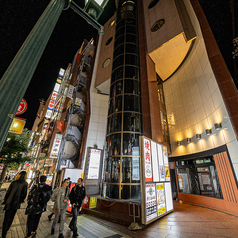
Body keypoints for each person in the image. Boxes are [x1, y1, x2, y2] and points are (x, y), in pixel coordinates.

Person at [1, 171, 28, 238]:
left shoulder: (13, 182)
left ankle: (3, 234)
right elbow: (24, 195)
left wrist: (5, 200)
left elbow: (8, 192)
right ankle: (6, 231)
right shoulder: (25, 184)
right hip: (16, 204)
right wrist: (21, 201)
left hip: (9, 202)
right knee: (11, 218)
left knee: (6, 219)